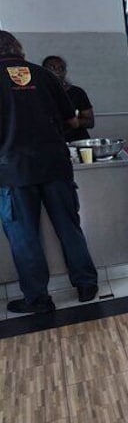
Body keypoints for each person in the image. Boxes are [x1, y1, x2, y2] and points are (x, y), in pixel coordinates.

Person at [0, 31, 99, 314]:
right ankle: (86, 285)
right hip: (55, 165)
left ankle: (38, 299)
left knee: (24, 236)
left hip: (13, 172)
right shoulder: (43, 76)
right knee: (69, 226)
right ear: (19, 49)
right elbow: (72, 120)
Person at [41, 55, 95, 142]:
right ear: (43, 71)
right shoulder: (39, 93)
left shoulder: (77, 92)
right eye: (52, 68)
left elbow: (90, 122)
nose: (58, 71)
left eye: (61, 68)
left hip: (77, 141)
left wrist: (76, 122)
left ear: (65, 71)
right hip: (50, 142)